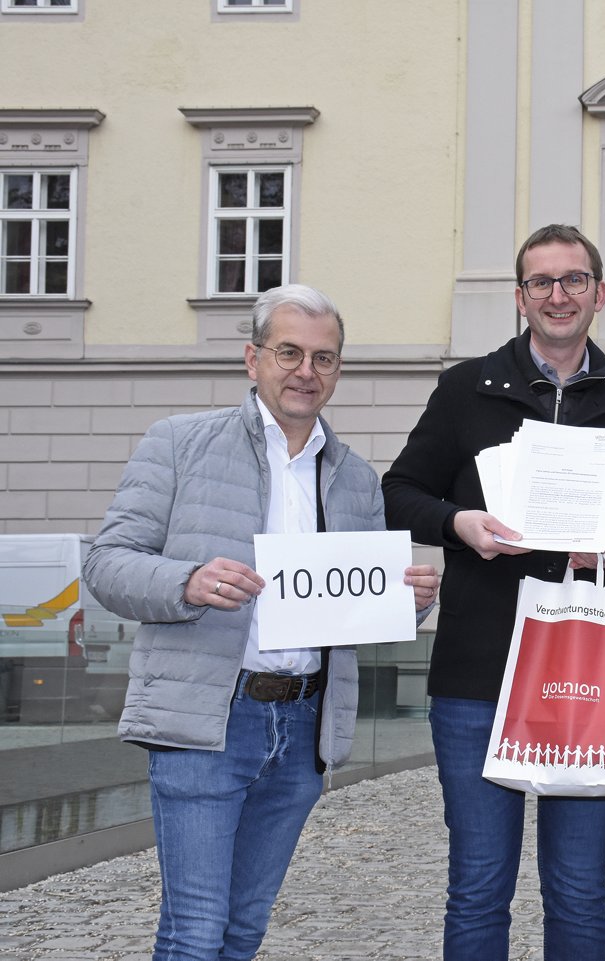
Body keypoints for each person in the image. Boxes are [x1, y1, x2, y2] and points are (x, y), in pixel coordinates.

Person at [82, 284, 440, 961]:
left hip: (302, 729)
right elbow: (107, 565)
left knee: (242, 930)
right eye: (289, 352)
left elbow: (350, 609)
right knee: (193, 930)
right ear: (253, 359)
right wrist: (186, 581)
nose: (306, 370)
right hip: (206, 720)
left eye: (324, 358)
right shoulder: (179, 443)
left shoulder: (357, 479)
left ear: (338, 371)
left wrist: (407, 602)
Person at [381, 224, 605, 959]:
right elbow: (400, 492)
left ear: (599, 293)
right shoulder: (466, 388)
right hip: (479, 670)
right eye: (541, 282)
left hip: (584, 671)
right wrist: (459, 522)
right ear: (520, 297)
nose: (558, 294)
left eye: (573, 279)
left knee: (578, 885)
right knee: (479, 884)